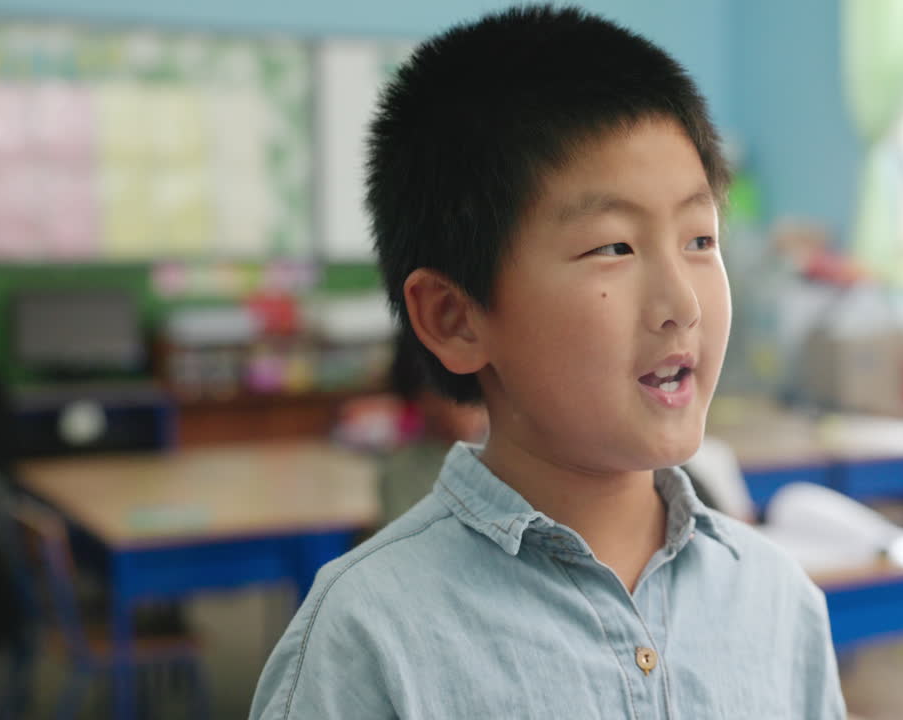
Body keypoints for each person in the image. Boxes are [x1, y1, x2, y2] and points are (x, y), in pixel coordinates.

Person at [250, 6, 846, 718]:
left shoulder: (777, 600)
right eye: (614, 247)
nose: (682, 303)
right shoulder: (368, 636)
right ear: (455, 316)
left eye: (699, 239)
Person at [377, 334, 488, 521]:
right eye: (449, 396)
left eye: (473, 398)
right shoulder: (402, 473)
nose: (460, 410)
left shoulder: (509, 459)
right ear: (419, 400)